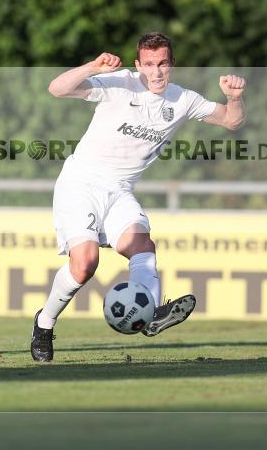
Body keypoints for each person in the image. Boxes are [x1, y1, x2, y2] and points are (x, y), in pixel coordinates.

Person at [30, 32, 246, 362]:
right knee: (85, 264)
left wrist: (234, 98)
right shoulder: (120, 83)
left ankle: (151, 313)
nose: (156, 72)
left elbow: (232, 120)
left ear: (172, 64)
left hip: (120, 190)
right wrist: (93, 67)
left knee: (143, 246)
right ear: (138, 64)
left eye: (162, 64)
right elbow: (56, 89)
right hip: (81, 183)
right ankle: (44, 323)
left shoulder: (182, 99)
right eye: (149, 64)